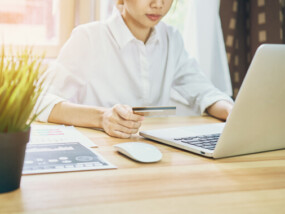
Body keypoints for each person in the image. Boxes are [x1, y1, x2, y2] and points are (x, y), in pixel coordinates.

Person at [38, 0, 234, 138]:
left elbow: (204, 92)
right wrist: (102, 117)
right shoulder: (89, 38)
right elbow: (41, 102)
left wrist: (232, 112)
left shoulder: (171, 39)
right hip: (104, 154)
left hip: (157, 153)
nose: (158, 3)